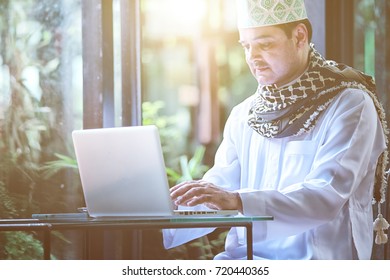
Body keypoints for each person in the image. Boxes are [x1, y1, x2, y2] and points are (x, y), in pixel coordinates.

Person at [163, 0, 389, 259]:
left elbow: (325, 195)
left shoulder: (349, 105)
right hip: (242, 262)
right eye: (246, 47)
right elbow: (219, 189)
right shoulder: (243, 114)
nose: (252, 58)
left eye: (264, 44)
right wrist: (166, 208)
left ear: (299, 37)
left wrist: (238, 200)